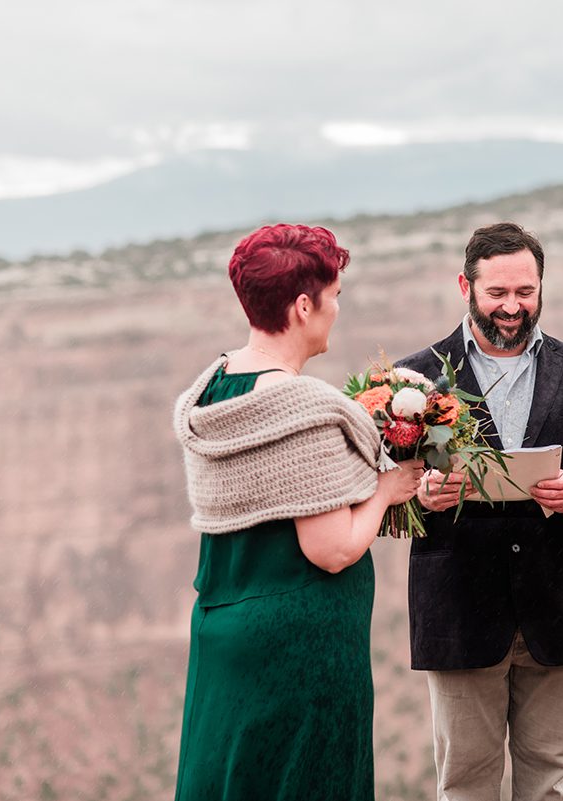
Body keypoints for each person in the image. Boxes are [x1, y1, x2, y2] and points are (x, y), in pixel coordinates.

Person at [171, 223, 423, 801]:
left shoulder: (213, 390)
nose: (337, 309)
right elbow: (331, 550)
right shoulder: (301, 406)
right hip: (299, 653)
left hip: (223, 631)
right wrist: (387, 488)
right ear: (304, 306)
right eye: (334, 296)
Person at [395, 222, 563, 801]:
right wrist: (421, 495)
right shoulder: (412, 380)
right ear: (466, 287)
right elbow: (381, 484)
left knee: (551, 782)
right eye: (497, 293)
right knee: (465, 784)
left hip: (557, 605)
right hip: (459, 607)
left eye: (525, 292)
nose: (512, 307)